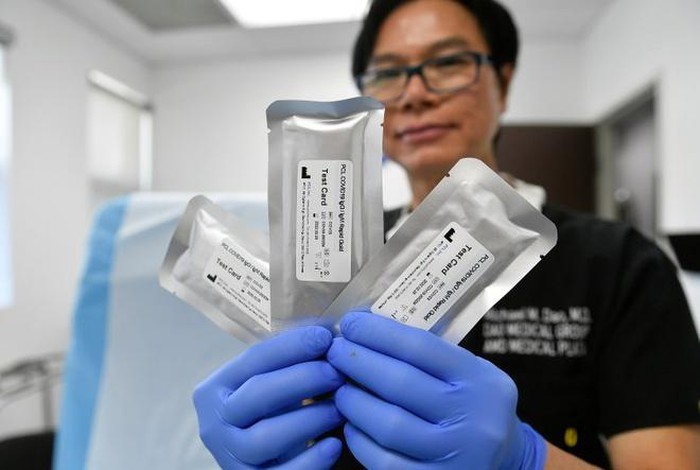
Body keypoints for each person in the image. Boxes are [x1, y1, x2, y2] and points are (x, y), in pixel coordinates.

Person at [193, 0, 700, 468]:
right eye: (389, 73)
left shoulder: (619, 264)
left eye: (448, 62)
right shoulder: (332, 258)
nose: (415, 94)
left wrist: (526, 461)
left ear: (503, 82)